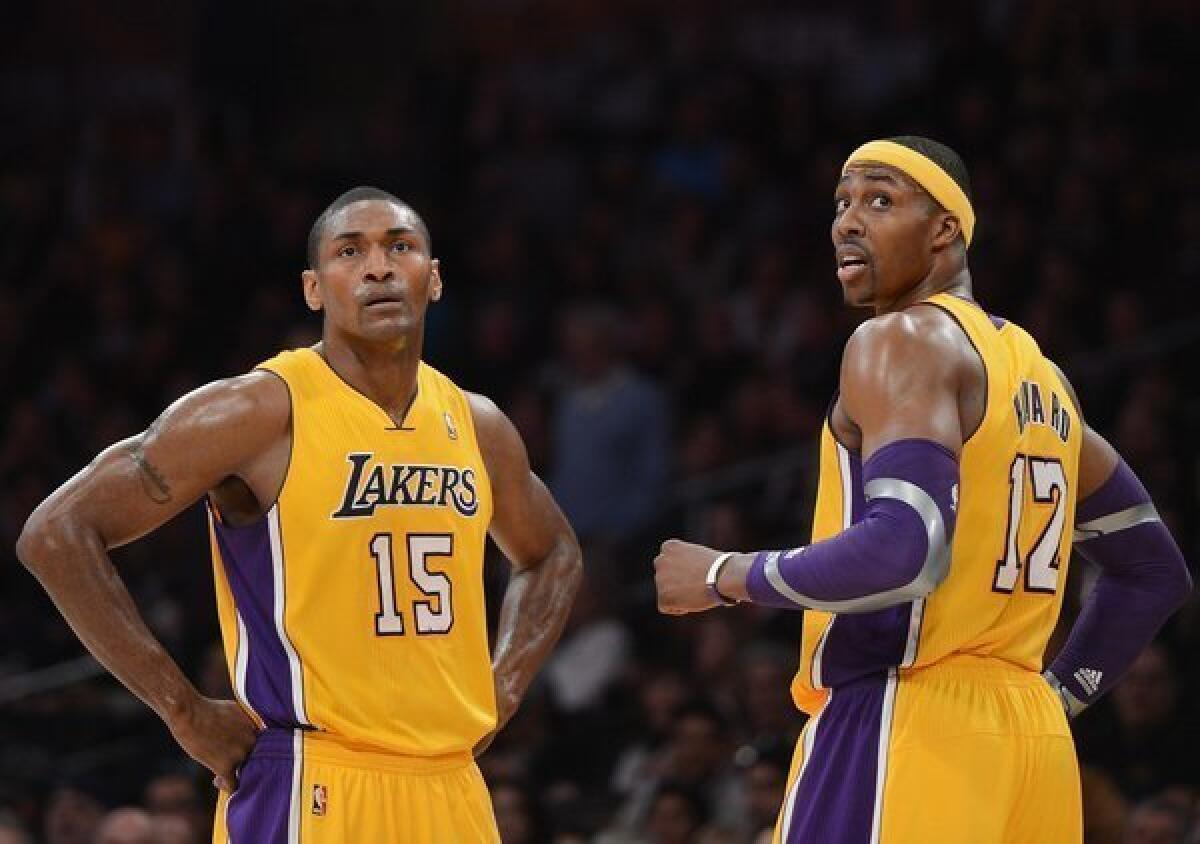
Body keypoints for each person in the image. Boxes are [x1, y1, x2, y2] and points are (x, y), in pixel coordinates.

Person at [653, 137, 1192, 842]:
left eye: (881, 200)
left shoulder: (899, 341)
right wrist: (1061, 693)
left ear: (945, 230)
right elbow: (1153, 571)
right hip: (1032, 747)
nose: (849, 221)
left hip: (908, 719)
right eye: (843, 202)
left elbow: (907, 548)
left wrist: (726, 576)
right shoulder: (1043, 381)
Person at [17, 186, 583, 842]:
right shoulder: (258, 411)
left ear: (433, 279)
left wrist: (503, 688)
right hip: (313, 778)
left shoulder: (478, 425)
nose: (378, 266)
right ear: (314, 289)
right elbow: (56, 534)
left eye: (400, 247)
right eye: (351, 251)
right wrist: (184, 712)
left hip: (452, 785)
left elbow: (554, 553)